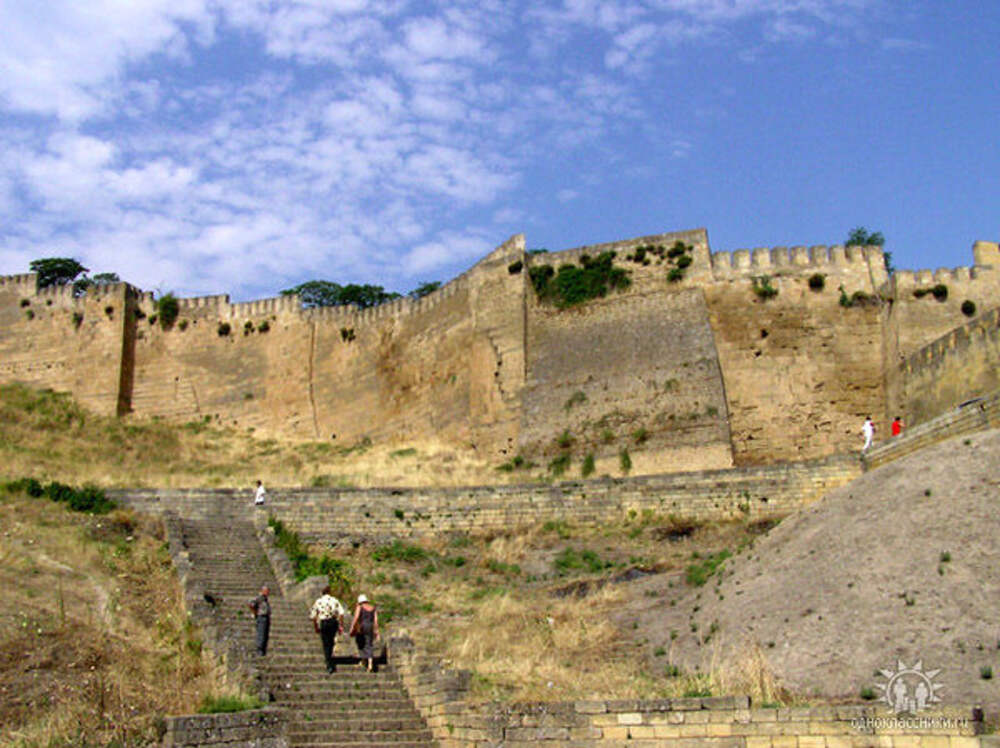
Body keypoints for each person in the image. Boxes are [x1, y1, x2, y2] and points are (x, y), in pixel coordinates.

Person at [310, 585, 346, 673]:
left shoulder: (318, 601)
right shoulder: (334, 600)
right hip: (333, 622)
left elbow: (313, 616)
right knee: (331, 641)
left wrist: (316, 627)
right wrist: (341, 625)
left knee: (325, 643)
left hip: (324, 622)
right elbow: (341, 613)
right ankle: (329, 658)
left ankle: (328, 662)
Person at [349, 594, 379, 672]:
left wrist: (352, 627)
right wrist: (376, 631)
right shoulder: (373, 608)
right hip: (370, 626)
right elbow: (376, 621)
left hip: (362, 626)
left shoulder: (360, 607)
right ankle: (369, 662)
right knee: (369, 643)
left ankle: (364, 660)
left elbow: (356, 618)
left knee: (361, 642)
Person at [249, 585, 271, 655]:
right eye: (267, 591)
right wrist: (255, 613)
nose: (268, 592)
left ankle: (263, 650)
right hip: (261, 617)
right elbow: (251, 604)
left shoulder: (265, 599)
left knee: (265, 635)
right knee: (261, 633)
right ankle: (259, 650)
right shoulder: (260, 597)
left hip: (266, 617)